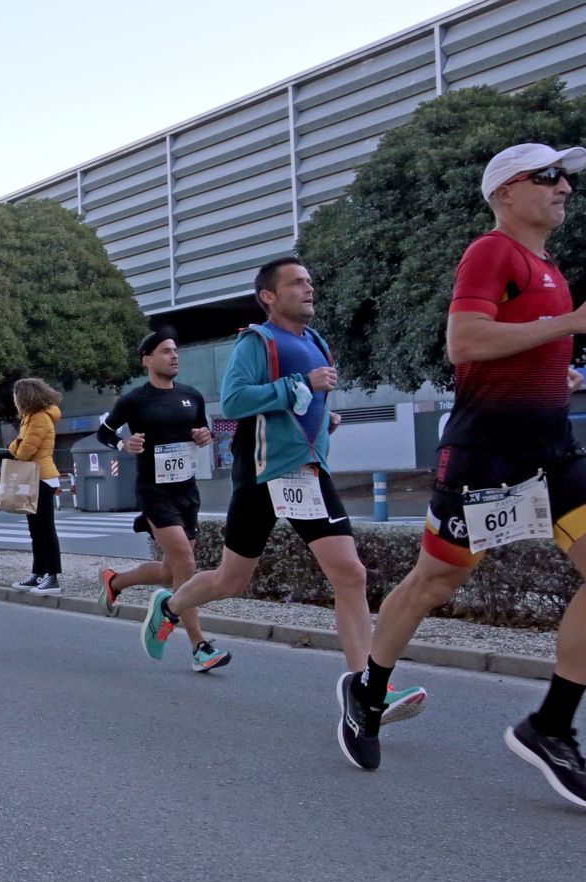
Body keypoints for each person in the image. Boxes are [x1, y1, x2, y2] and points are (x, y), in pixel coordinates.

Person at [338, 145, 586, 808]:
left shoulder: (545, 266)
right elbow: (465, 342)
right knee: (435, 583)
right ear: (507, 191)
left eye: (566, 177)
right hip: (486, 456)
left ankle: (552, 727)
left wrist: (552, 372)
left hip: (553, 450)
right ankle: (366, 690)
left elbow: (507, 349)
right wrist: (571, 322)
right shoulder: (492, 250)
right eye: (550, 176)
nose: (565, 186)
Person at [138, 259, 428, 715]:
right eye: (296, 282)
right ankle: (170, 605)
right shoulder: (258, 341)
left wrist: (324, 418)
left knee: (350, 574)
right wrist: (300, 383)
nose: (308, 288)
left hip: (308, 470)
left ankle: (367, 690)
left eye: (310, 281)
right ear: (269, 296)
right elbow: (234, 402)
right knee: (232, 580)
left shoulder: (315, 341)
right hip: (262, 473)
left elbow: (308, 404)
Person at [94, 333, 228, 672]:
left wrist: (204, 435)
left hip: (187, 491)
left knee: (173, 570)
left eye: (175, 351)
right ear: (147, 359)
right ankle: (199, 645)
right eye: (165, 351)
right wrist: (125, 445)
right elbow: (105, 433)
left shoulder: (191, 396)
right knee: (185, 559)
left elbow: (202, 432)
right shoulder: (134, 400)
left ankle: (115, 581)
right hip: (154, 491)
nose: (174, 356)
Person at [8, 377, 65, 595]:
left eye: (16, 395)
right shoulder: (30, 418)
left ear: (24, 396)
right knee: (36, 530)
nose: (14, 400)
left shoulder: (40, 418)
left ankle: (52, 577)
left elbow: (23, 452)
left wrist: (13, 444)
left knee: (45, 530)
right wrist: (18, 443)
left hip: (41, 477)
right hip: (34, 477)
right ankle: (38, 573)